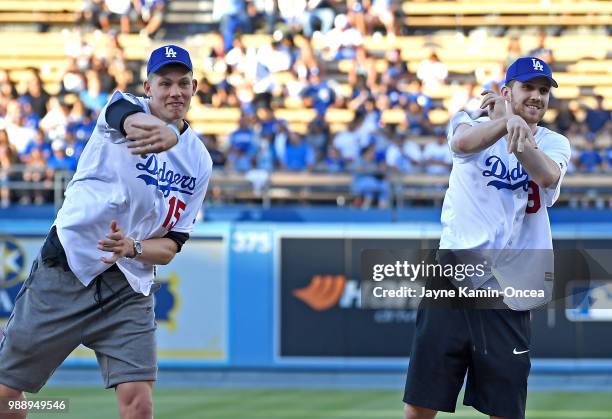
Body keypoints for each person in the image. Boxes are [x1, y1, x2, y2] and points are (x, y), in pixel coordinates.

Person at [0, 44, 212, 419]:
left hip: (127, 288)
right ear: (148, 87)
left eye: (183, 83)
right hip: (67, 268)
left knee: (139, 403)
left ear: (194, 87)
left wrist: (132, 246)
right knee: (5, 394)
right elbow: (127, 119)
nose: (175, 92)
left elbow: (170, 246)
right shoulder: (121, 111)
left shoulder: (199, 161)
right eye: (165, 83)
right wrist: (168, 135)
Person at [403, 56, 571, 419]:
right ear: (506, 92)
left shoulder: (554, 142)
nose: (538, 97)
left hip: (510, 285)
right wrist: (503, 123)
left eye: (544, 91)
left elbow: (545, 176)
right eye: (528, 88)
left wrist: (510, 123)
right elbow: (463, 144)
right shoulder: (469, 120)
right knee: (421, 403)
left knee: (505, 409)